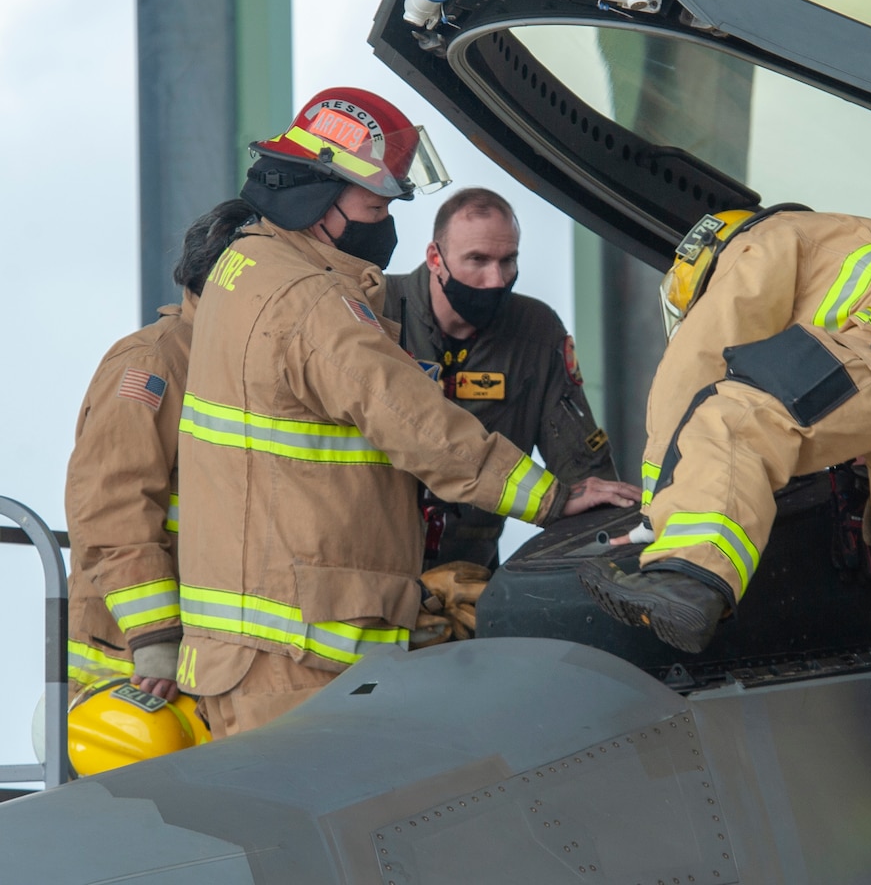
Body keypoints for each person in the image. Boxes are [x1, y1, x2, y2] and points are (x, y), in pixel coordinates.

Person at [176, 87, 640, 737]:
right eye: (376, 204)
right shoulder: (311, 301)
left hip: (268, 645)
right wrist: (551, 498)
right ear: (320, 197)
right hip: (298, 656)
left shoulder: (245, 266)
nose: (386, 219)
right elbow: (416, 423)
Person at [575, 206, 871, 861]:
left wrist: (656, 518)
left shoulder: (759, 243)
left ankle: (688, 577)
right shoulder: (848, 246)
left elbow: (696, 372)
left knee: (734, 415)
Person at [65, 199, 255, 703]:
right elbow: (110, 505)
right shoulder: (155, 361)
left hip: (207, 657)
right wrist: (155, 638)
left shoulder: (234, 359)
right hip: (134, 670)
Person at [384, 187, 616, 569]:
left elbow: (583, 471)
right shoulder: (373, 311)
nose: (496, 279)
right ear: (434, 258)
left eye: (508, 260)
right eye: (477, 259)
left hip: (471, 577)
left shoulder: (537, 332)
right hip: (372, 572)